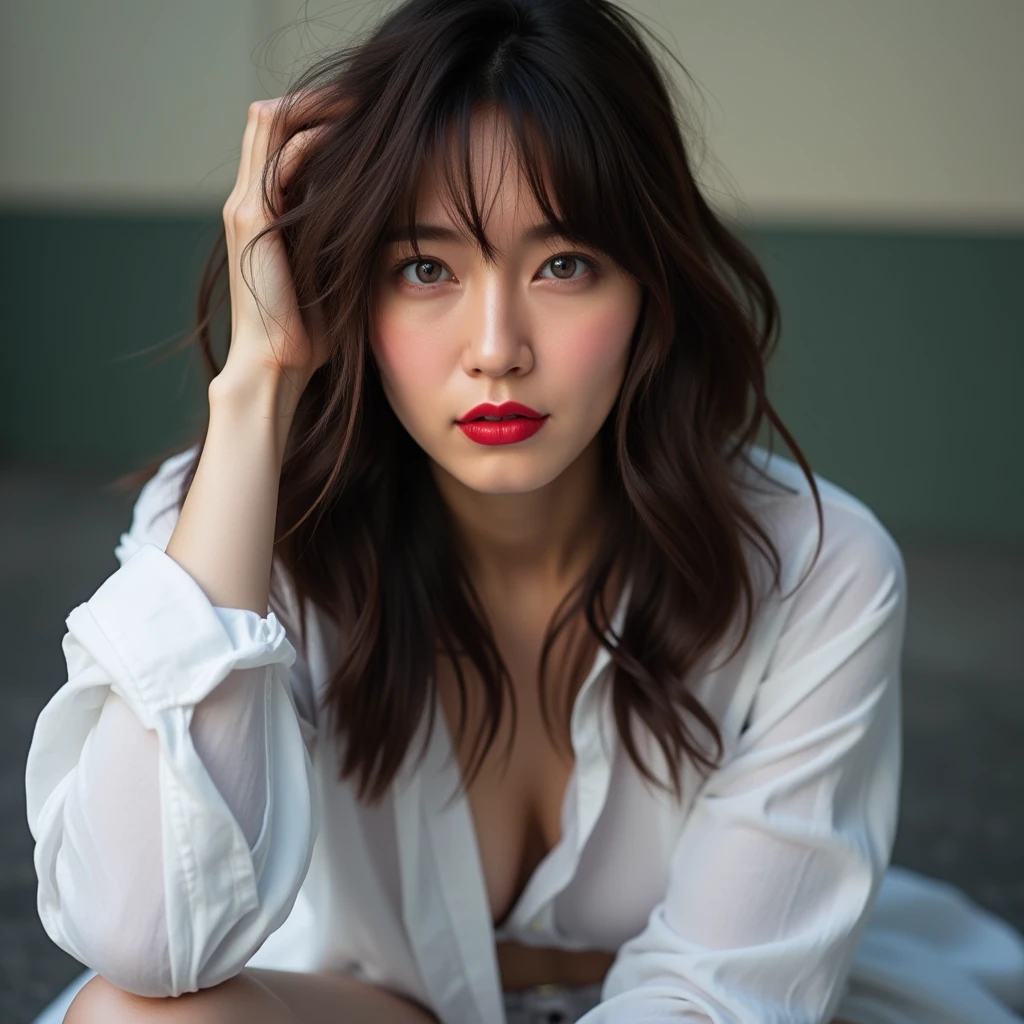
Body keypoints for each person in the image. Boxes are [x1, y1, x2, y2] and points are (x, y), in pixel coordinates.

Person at [24, 1, 1024, 1022]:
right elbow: (146, 938)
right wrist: (256, 390)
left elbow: (710, 998)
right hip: (380, 1000)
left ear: (650, 289)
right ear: (348, 293)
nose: (495, 345)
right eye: (424, 268)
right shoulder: (240, 522)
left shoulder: (818, 566)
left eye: (562, 265)